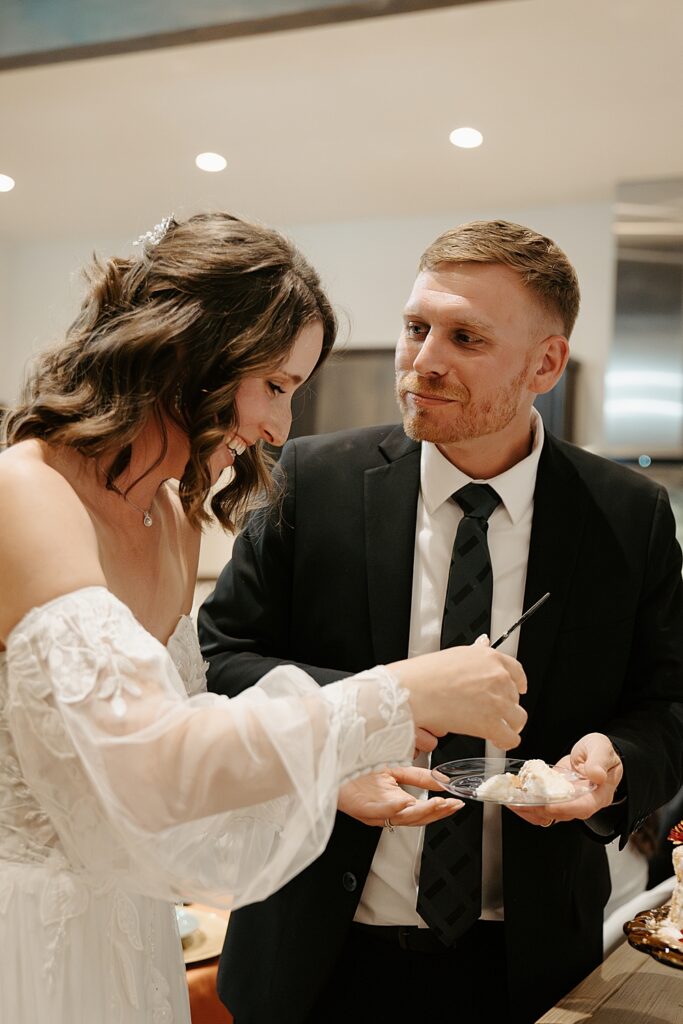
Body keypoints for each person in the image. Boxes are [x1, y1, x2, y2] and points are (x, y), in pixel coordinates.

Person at [0, 213, 529, 1024]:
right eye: (276, 386)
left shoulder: (169, 518)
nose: (279, 428)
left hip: (127, 932)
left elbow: (187, 735)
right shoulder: (26, 493)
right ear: (191, 355)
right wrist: (395, 695)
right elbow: (149, 767)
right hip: (22, 932)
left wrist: (335, 774)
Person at [198, 219, 683, 1024]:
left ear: (545, 363)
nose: (423, 360)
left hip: (527, 963)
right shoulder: (310, 481)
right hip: (314, 951)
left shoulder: (626, 515)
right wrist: (343, 739)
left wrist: (616, 765)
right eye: (416, 327)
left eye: (464, 337)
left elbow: (669, 700)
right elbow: (223, 657)